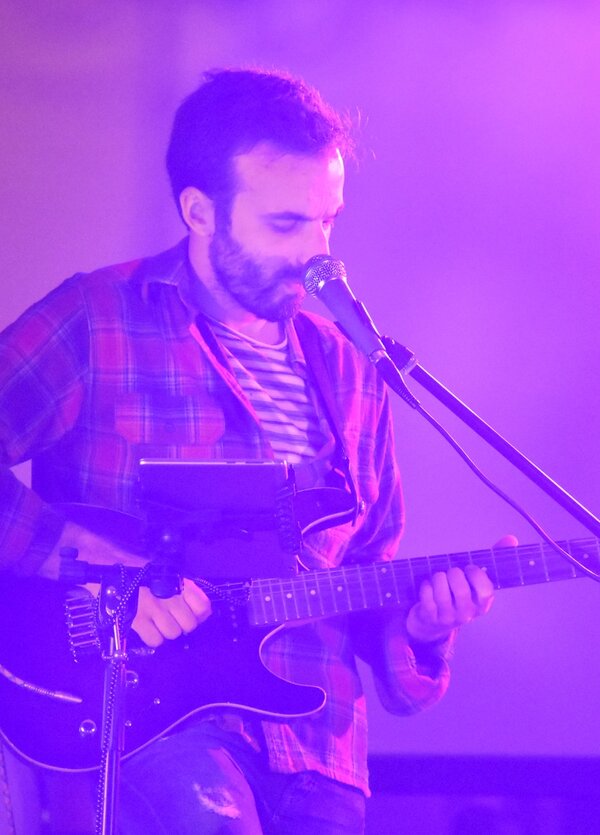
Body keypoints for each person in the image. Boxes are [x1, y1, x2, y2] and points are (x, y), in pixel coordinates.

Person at [0, 68, 495, 834]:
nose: (317, 255)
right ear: (200, 211)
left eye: (328, 222)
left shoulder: (351, 370)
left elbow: (366, 573)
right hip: (147, 722)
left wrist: (424, 628)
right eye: (286, 225)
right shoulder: (100, 317)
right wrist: (102, 564)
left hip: (319, 745)